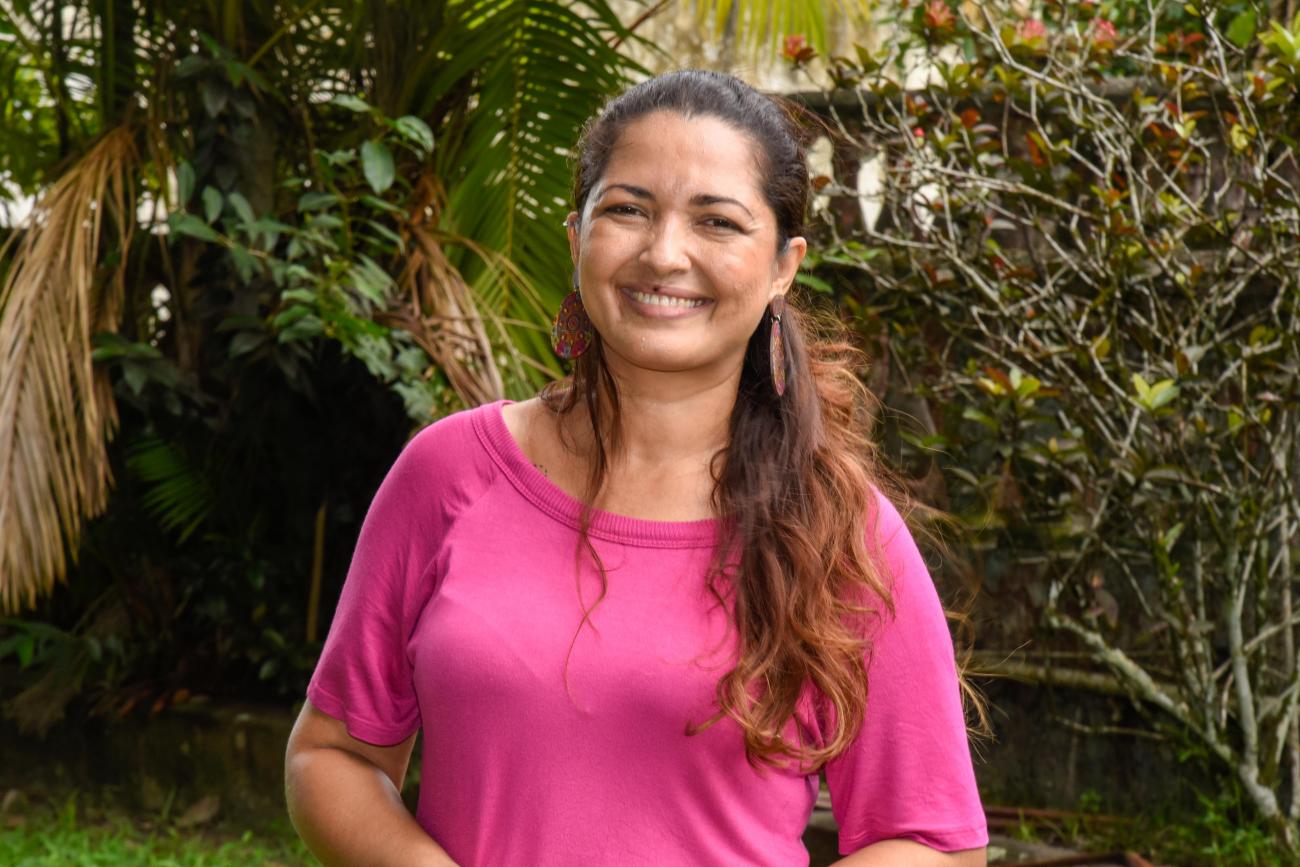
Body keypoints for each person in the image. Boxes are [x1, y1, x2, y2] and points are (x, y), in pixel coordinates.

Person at [285, 69, 988, 867]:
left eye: (717, 221)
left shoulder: (835, 524)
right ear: (576, 238)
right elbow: (332, 754)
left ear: (784, 266)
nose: (664, 254)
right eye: (627, 209)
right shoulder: (448, 474)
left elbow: (934, 842)